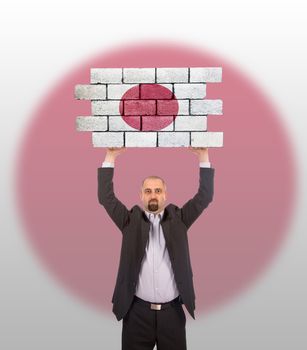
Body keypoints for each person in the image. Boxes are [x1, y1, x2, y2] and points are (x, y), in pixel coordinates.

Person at [98, 147, 215, 350]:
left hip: (173, 315)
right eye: (148, 191)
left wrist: (203, 156)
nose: (153, 195)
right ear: (141, 195)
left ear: (165, 195)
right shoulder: (129, 220)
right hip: (136, 314)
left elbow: (204, 197)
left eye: (158, 191)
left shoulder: (180, 219)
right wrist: (111, 156)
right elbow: (105, 198)